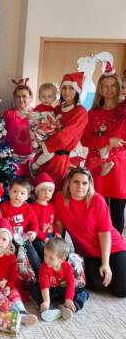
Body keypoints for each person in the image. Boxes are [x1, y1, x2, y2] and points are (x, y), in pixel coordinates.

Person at [54, 167, 126, 297]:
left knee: (121, 290)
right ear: (69, 183)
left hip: (112, 247)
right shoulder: (60, 198)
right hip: (86, 251)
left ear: (89, 185)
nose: (80, 186)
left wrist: (105, 264)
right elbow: (59, 225)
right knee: (97, 285)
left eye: (84, 183)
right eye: (76, 182)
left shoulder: (97, 200)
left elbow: (105, 234)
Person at [81, 63, 126, 233]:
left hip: (120, 167)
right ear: (99, 89)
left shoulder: (123, 112)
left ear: (119, 87)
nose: (109, 89)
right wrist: (107, 140)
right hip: (97, 166)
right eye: (105, 86)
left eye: (113, 85)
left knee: (118, 208)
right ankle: (98, 243)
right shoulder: (92, 113)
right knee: (99, 208)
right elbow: (85, 140)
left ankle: (117, 244)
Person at [36, 72, 88, 192]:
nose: (67, 92)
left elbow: (64, 137)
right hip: (44, 157)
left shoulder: (80, 112)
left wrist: (43, 146)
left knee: (54, 192)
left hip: (59, 160)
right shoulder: (57, 108)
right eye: (64, 88)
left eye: (71, 88)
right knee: (40, 192)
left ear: (77, 91)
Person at [30, 237, 89, 322]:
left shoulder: (67, 267)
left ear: (62, 259)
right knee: (34, 288)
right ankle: (48, 309)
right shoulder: (44, 267)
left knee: (83, 293)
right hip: (50, 291)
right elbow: (44, 284)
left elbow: (71, 283)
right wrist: (46, 301)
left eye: (51, 258)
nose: (46, 260)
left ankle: (70, 307)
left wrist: (69, 299)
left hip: (63, 290)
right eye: (45, 255)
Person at [0, 177, 41, 275]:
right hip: (9, 240)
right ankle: (10, 275)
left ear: (27, 196)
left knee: (33, 255)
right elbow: (0, 222)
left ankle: (41, 273)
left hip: (24, 239)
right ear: (9, 191)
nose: (18, 195)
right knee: (9, 256)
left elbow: (34, 223)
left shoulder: (28, 208)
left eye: (22, 193)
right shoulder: (4, 206)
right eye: (15, 191)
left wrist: (33, 233)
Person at [29, 83, 61, 178]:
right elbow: (32, 124)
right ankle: (34, 166)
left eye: (49, 97)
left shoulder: (53, 110)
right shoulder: (37, 110)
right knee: (50, 154)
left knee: (49, 154)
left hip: (48, 137)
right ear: (39, 97)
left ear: (54, 98)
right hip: (39, 138)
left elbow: (53, 123)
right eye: (43, 96)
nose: (46, 99)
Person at [3, 78, 35, 176]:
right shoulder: (8, 114)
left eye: (24, 96)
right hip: (12, 160)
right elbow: (3, 137)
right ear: (14, 99)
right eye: (18, 97)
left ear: (31, 98)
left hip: (31, 160)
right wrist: (9, 154)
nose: (21, 99)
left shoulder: (37, 114)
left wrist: (34, 153)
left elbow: (42, 138)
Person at [31, 173, 61, 260]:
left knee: (62, 249)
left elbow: (53, 222)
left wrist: (57, 232)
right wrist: (45, 239)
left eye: (50, 190)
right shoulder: (34, 207)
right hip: (39, 237)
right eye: (43, 190)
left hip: (51, 235)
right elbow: (34, 227)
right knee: (48, 252)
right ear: (37, 191)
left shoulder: (52, 206)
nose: (47, 193)